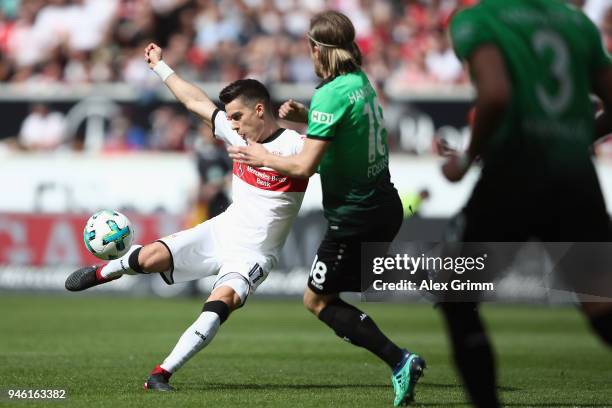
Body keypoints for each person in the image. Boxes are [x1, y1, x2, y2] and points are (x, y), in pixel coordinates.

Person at [65, 43, 308, 391]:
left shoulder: (297, 147)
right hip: (221, 229)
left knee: (219, 303)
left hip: (254, 253)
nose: (232, 125)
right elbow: (195, 101)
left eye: (237, 116)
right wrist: (161, 67)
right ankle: (104, 271)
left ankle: (160, 373)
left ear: (259, 110)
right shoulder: (233, 132)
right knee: (149, 257)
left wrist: (309, 120)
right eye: (230, 118)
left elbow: (338, 144)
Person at [229, 10, 425, 407]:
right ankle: (399, 358)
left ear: (317, 50)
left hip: (356, 215)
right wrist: (308, 119)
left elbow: (304, 166)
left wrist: (260, 155)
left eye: (310, 49)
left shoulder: (330, 94)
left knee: (316, 300)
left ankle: (400, 360)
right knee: (328, 295)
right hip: (385, 203)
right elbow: (345, 130)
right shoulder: (359, 83)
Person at [438, 1, 612, 406]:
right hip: (576, 179)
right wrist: (574, 138)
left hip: (514, 174)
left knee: (456, 296)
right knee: (603, 311)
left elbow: (496, 94)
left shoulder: (477, 19)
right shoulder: (576, 22)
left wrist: (466, 158)